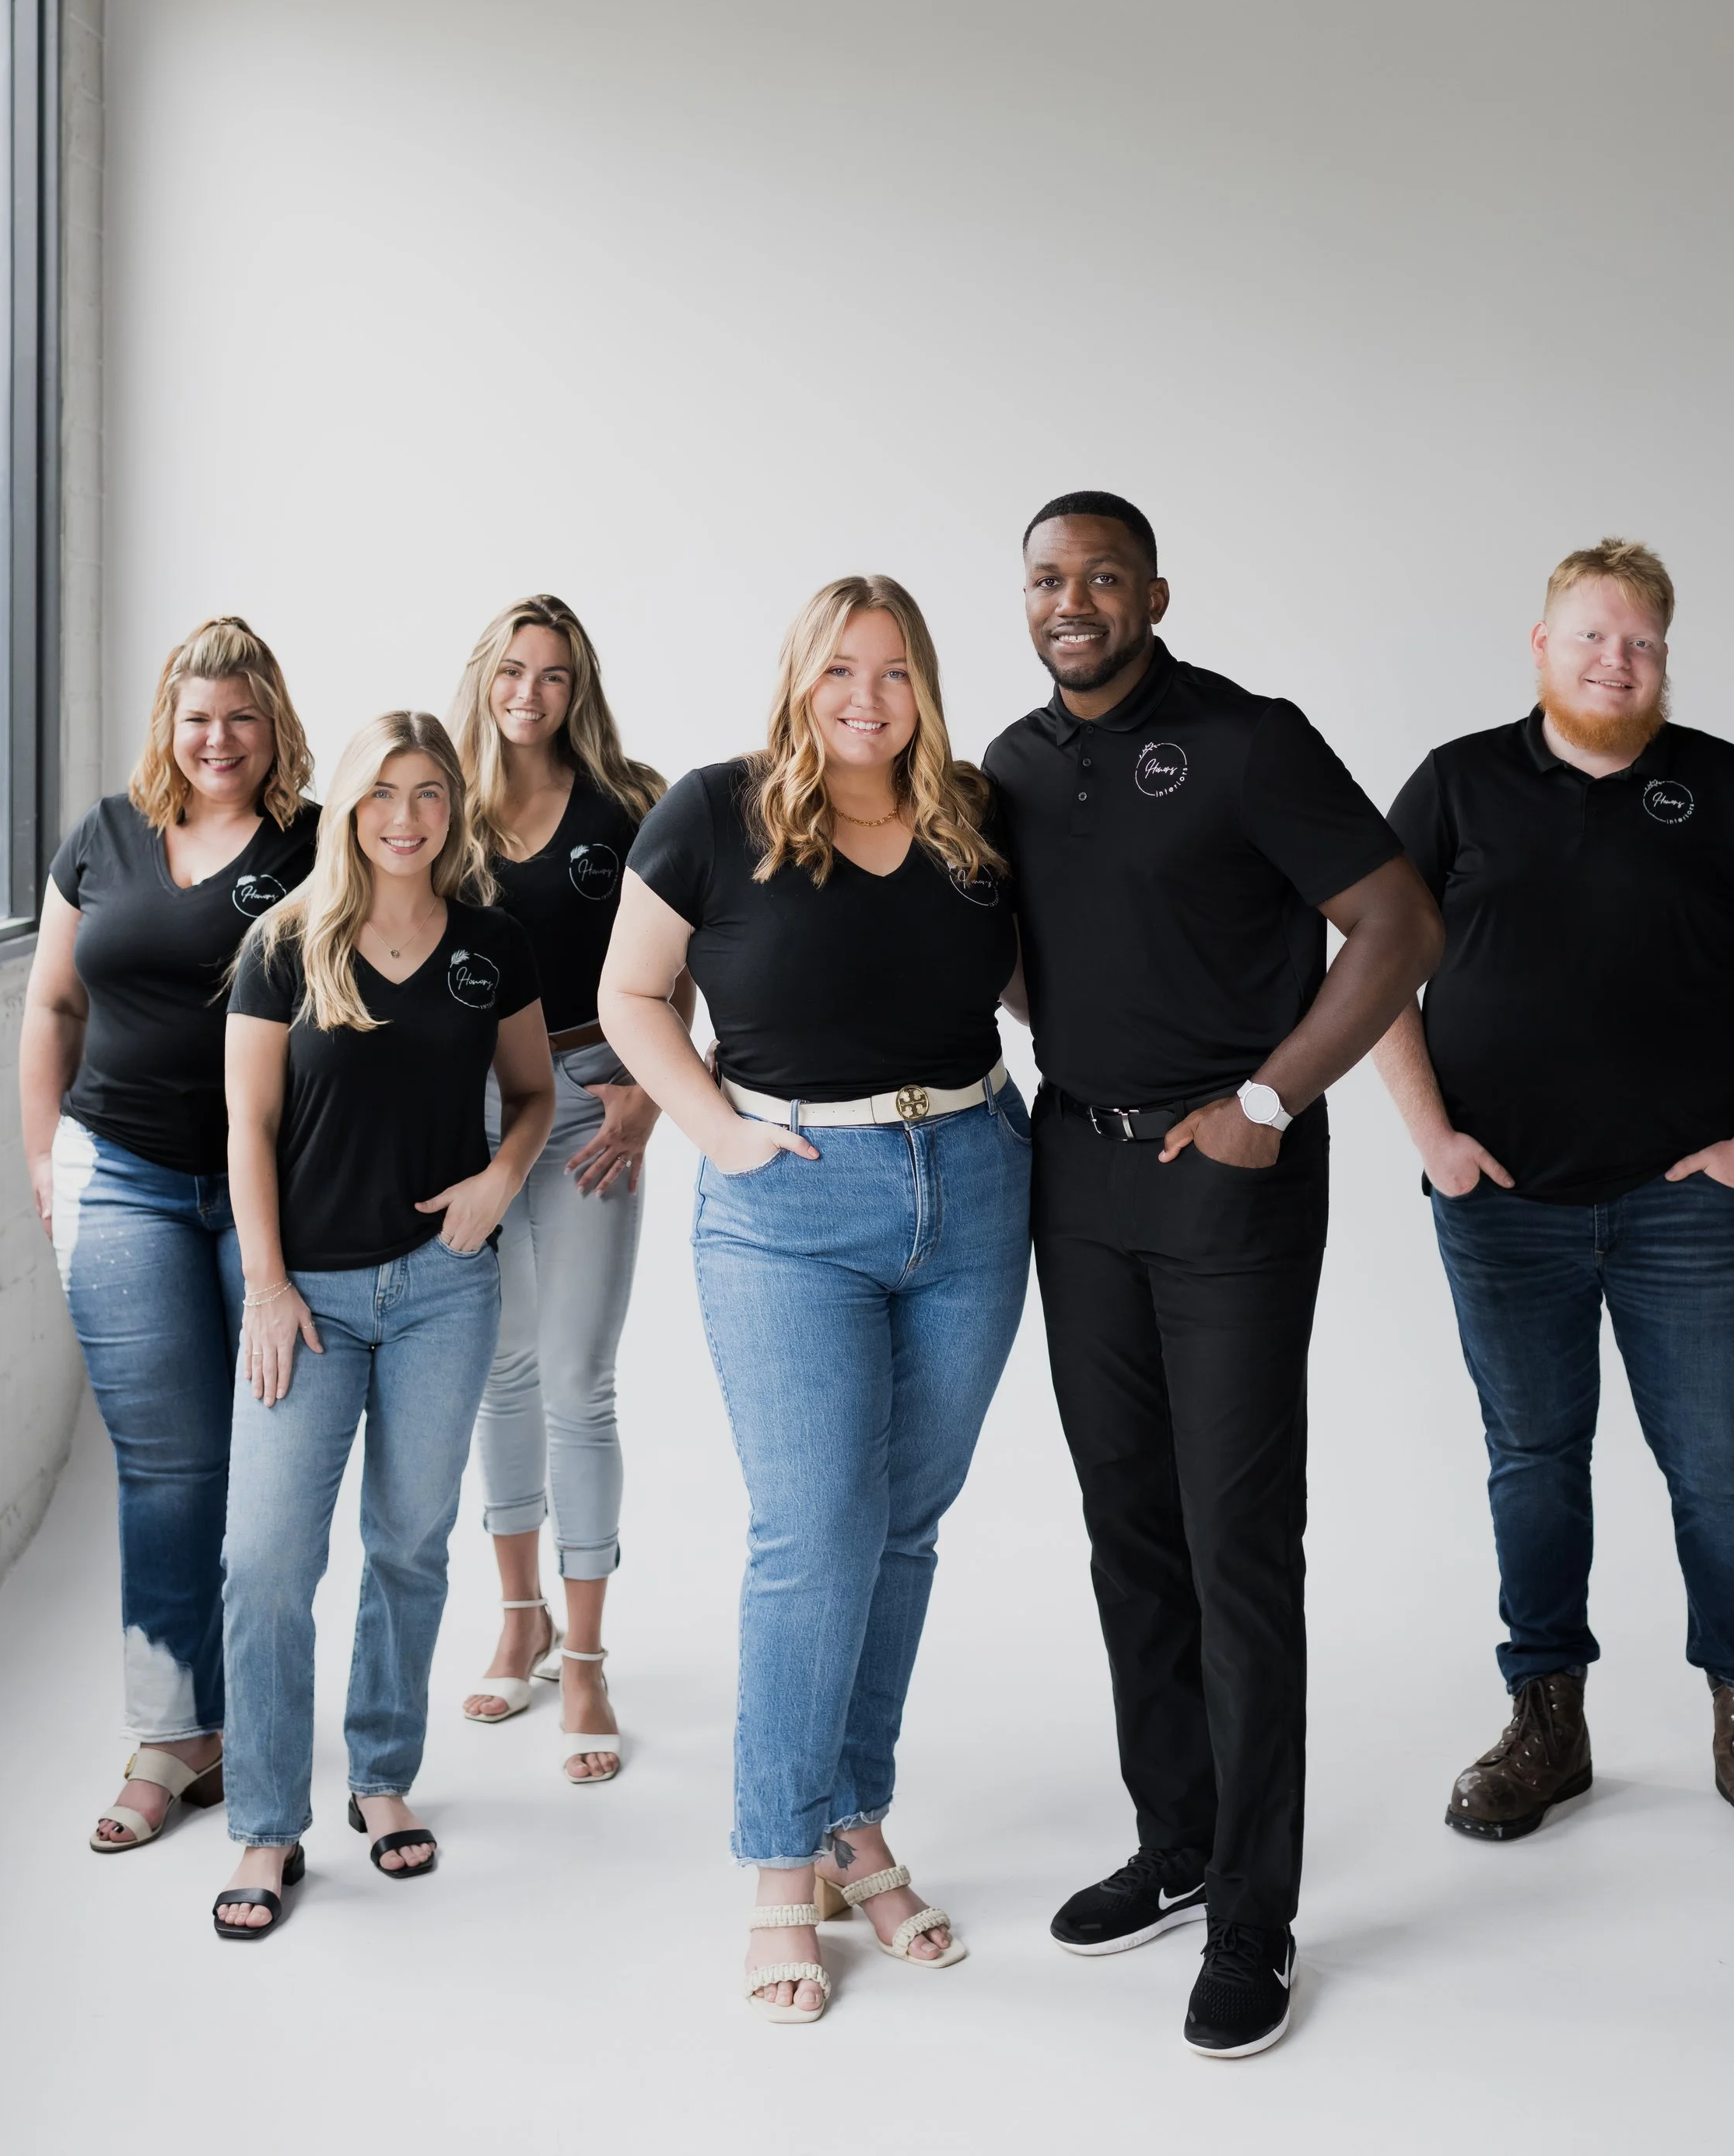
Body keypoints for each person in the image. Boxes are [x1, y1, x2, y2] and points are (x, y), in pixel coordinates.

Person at [983, 492, 1441, 2060]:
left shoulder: (1250, 740)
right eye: (1047, 578)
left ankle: (1254, 1912)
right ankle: (1173, 1840)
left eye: (1102, 576)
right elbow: (1027, 953)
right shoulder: (1008, 764)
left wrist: (1265, 1099)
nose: (1072, 601)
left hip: (1229, 1179)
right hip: (1076, 1171)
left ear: (1154, 594)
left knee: (1235, 1541)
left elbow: (1398, 923)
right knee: (1129, 1529)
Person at [1374, 537, 1734, 1867]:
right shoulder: (1459, 783)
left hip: (1682, 1209)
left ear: (1664, 657)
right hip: (1503, 1205)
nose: (1617, 660)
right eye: (1592, 635)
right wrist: (1433, 1136)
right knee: (1534, 1460)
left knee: (1718, 1465)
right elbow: (1369, 962)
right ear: (1541, 646)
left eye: (1641, 641)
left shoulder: (1724, 785)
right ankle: (1547, 1717)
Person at [602, 575, 1028, 2025]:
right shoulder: (714, 811)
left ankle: (856, 1818)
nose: (867, 697)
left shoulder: (973, 817)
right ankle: (784, 1862)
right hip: (788, 1204)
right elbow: (631, 996)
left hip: (975, 1181)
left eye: (895, 670)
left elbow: (1039, 988)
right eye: (841, 668)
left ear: (926, 687)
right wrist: (717, 1133)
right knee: (814, 1527)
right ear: (799, 676)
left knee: (903, 1520)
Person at [210, 711, 554, 1938]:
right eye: (381, 793)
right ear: (350, 806)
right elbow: (248, 1126)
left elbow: (533, 1091)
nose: (405, 817)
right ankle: (266, 1822)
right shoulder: (284, 942)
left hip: (443, 1287)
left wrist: (502, 1177)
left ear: (454, 806)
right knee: (266, 1560)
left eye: (428, 793)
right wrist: (267, 1287)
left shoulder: (491, 944)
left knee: (410, 1542)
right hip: (305, 1299)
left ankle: (381, 1771)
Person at [17, 617, 317, 1856]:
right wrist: (46, 1158)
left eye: (243, 717)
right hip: (122, 1177)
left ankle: (257, 1716)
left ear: (275, 725)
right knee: (166, 1466)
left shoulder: (319, 843)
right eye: (199, 717)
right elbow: (53, 1002)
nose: (219, 739)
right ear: (168, 723)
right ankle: (170, 1735)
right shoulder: (102, 834)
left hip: (273, 1193)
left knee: (270, 1469)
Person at [449, 594, 691, 1783]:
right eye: (512, 669)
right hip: (474, 1110)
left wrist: (652, 1092)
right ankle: (521, 1619)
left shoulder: (631, 802)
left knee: (579, 1379)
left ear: (577, 686)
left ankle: (585, 1659)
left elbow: (679, 957)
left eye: (552, 674)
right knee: (501, 1371)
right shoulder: (436, 803)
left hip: (597, 1095)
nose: (529, 693)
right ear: (484, 677)